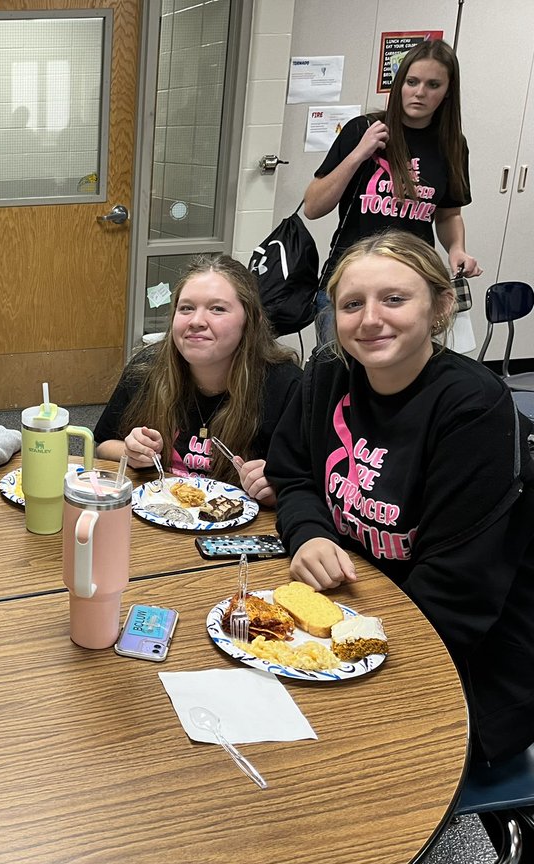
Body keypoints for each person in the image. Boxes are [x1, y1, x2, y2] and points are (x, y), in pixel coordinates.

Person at [266, 230, 534, 764]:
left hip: (468, 662)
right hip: (363, 603)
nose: (369, 319)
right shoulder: (326, 373)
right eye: (351, 304)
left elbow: (458, 592)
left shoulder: (473, 408)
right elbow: (291, 475)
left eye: (394, 299)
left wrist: (342, 661)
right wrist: (309, 533)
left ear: (437, 307)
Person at [304, 39, 480, 344]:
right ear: (399, 84)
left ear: (448, 91)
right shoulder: (363, 130)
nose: (420, 92)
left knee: (399, 379)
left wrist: (456, 248)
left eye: (433, 84)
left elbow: (449, 214)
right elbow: (313, 207)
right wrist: (360, 153)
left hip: (409, 287)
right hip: (350, 283)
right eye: (412, 82)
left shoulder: (452, 145)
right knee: (335, 382)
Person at [94, 254, 301, 505]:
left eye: (217, 309)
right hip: (158, 517)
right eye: (186, 308)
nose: (196, 321)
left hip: (235, 532)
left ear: (251, 321)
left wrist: (276, 488)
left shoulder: (286, 386)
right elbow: (103, 445)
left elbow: (309, 486)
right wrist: (131, 451)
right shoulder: (147, 367)